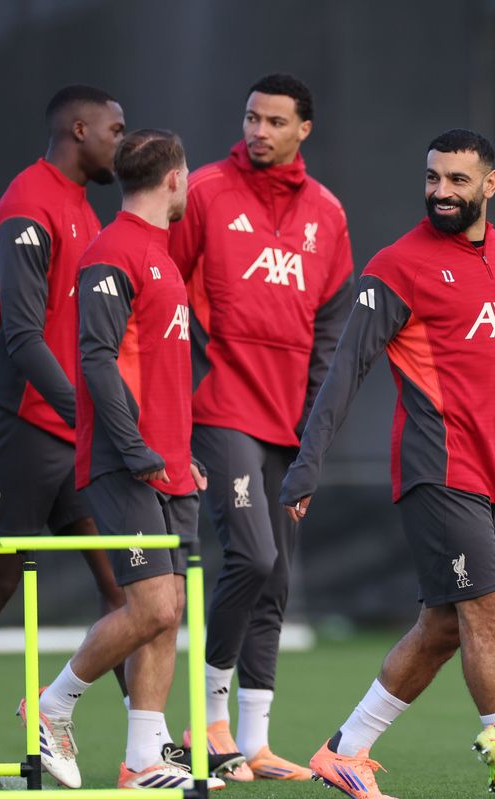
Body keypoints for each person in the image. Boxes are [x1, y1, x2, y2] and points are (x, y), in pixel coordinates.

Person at [279, 129, 495, 799]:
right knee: (491, 607)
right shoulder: (397, 266)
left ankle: (345, 751)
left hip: (491, 475)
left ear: (490, 185)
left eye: (456, 179)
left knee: (445, 626)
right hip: (435, 469)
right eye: (432, 178)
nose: (441, 191)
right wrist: (307, 463)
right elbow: (345, 371)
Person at [0, 85, 128, 787]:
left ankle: (143, 751)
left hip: (67, 427)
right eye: (114, 128)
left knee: (130, 589)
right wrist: (89, 413)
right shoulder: (27, 205)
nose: (122, 140)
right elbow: (19, 335)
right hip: (16, 420)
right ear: (79, 130)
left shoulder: (83, 207)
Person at [25, 129, 228, 791]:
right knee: (152, 606)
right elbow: (95, 359)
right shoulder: (111, 251)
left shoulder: (162, 254)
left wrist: (180, 453)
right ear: (174, 179)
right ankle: (50, 707)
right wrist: (137, 447)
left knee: (169, 608)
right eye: (189, 173)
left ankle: (145, 758)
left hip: (169, 464)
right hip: (122, 462)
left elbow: (162, 374)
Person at [168, 72, 354, 782]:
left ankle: (253, 740)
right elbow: (161, 292)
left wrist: (315, 428)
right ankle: (206, 717)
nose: (258, 131)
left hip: (289, 420)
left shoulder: (329, 215)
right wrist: (172, 400)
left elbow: (333, 331)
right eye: (251, 118)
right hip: (220, 408)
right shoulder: (207, 192)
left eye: (275, 121)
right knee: (252, 557)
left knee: (277, 582)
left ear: (304, 129)